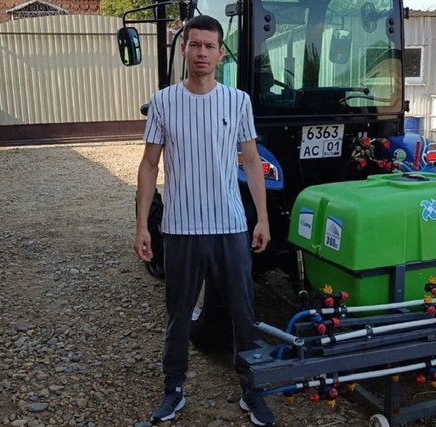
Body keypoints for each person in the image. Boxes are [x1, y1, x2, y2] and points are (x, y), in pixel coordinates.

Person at [133, 15, 275, 427]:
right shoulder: (163, 102)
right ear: (184, 49)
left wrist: (262, 218)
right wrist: (142, 225)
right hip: (181, 228)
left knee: (243, 314)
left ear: (219, 53)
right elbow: (148, 165)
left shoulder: (238, 101)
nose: (201, 53)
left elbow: (252, 161)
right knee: (179, 317)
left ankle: (253, 392)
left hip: (230, 226)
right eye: (195, 45)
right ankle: (173, 390)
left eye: (210, 46)